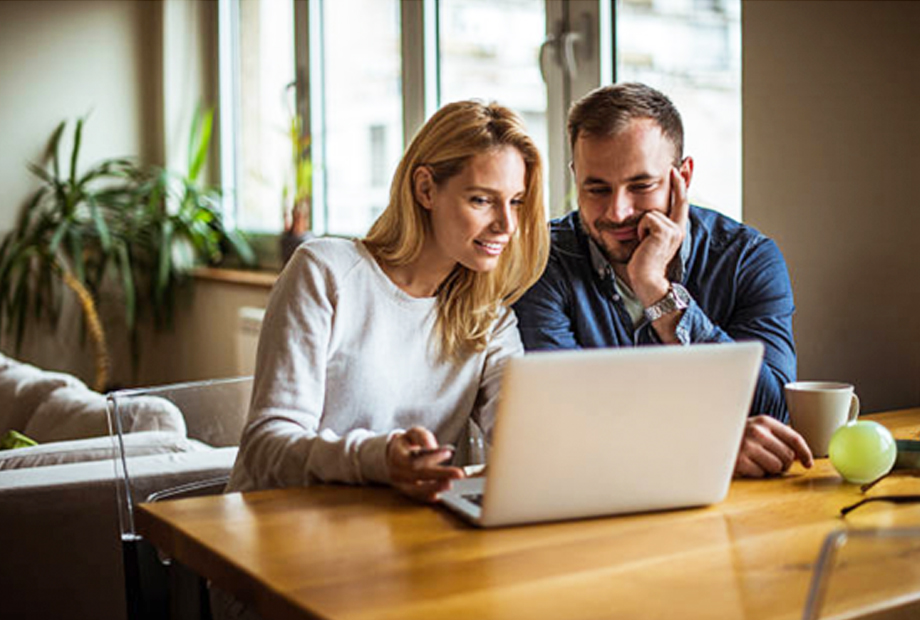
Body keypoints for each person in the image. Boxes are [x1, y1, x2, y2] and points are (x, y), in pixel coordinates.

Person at [227, 100, 548, 503]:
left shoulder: (490, 318)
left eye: (516, 201)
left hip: (393, 536)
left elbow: (520, 436)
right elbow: (265, 447)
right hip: (278, 529)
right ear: (425, 189)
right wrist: (379, 459)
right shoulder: (325, 273)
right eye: (482, 200)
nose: (507, 224)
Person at [513, 83, 813, 478]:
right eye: (597, 188)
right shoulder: (542, 260)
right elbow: (562, 419)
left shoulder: (747, 259)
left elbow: (773, 412)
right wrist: (709, 442)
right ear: (575, 177)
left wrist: (656, 289)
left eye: (641, 186)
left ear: (682, 177)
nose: (618, 212)